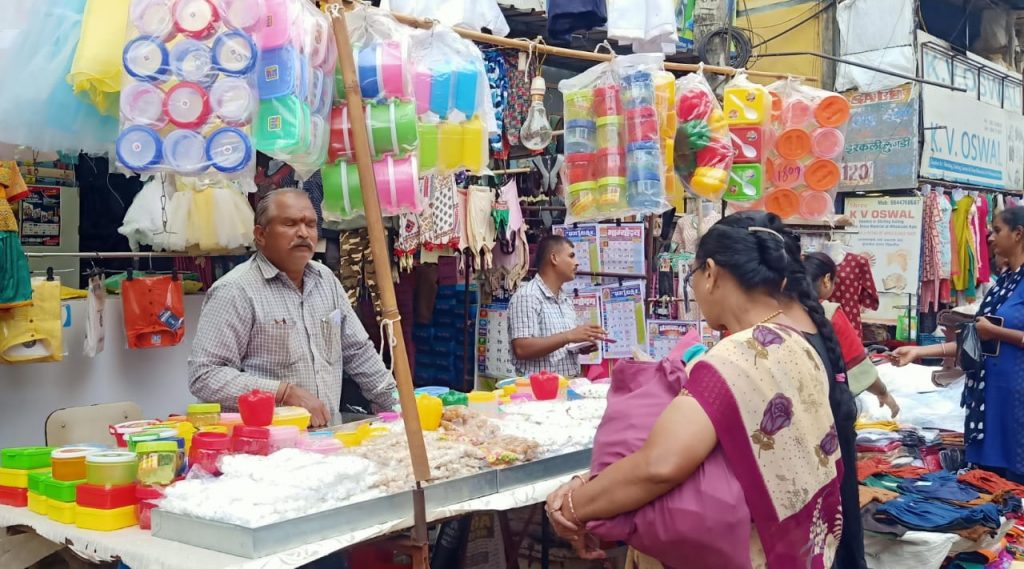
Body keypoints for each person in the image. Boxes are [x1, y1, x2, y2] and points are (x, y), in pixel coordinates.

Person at [545, 215, 843, 568]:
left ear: (711, 273)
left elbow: (659, 465)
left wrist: (574, 508)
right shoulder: (799, 343)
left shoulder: (735, 358)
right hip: (797, 547)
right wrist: (589, 480)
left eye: (693, 276)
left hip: (740, 553)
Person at [188, 189, 397, 428]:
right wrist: (284, 392)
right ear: (261, 235)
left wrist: (400, 405)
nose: (303, 233)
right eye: (290, 224)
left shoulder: (326, 280)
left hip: (323, 436)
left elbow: (358, 352)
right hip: (263, 440)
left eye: (310, 224)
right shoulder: (235, 290)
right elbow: (205, 375)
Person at [892, 206, 1024, 481]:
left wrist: (996, 332)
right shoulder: (1004, 283)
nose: (989, 237)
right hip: (988, 398)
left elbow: (988, 332)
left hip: (1015, 401)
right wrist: (918, 351)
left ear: (1018, 234)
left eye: (997, 230)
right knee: (989, 483)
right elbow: (975, 339)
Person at [804, 251, 900, 418]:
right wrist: (883, 392)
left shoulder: (779, 311)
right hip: (825, 407)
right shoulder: (830, 313)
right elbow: (858, 365)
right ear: (827, 280)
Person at [508, 235, 605, 378]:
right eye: (571, 256)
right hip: (539, 388)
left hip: (568, 384)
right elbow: (521, 349)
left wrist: (580, 345)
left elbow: (560, 345)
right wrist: (569, 336)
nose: (577, 263)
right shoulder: (528, 296)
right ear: (554, 258)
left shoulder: (565, 300)